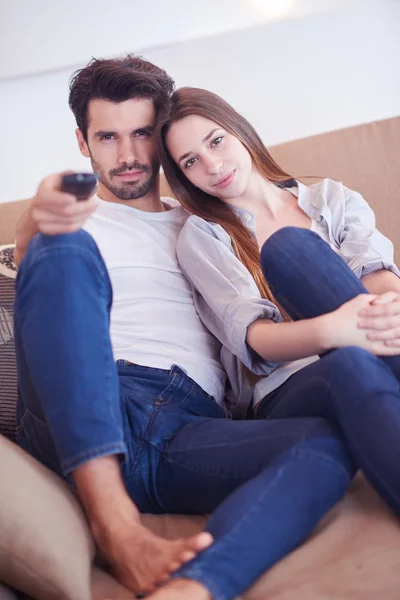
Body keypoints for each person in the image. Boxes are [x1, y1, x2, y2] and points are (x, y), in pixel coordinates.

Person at [13, 56, 357, 600]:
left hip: (184, 427)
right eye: (107, 137)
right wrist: (37, 217)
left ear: (164, 137)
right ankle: (114, 523)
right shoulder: (74, 216)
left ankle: (196, 587)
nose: (127, 156)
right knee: (65, 247)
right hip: (81, 402)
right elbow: (35, 264)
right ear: (82, 141)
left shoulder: (208, 222)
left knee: (322, 443)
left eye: (143, 134)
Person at [158, 85, 400, 521]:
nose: (213, 166)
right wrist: (335, 330)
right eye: (191, 161)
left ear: (239, 130)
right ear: (183, 176)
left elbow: (380, 281)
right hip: (288, 389)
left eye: (216, 141)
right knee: (291, 252)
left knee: (356, 360)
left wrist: (375, 317)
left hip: (376, 356)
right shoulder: (204, 235)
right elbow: (257, 340)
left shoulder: (333, 198)